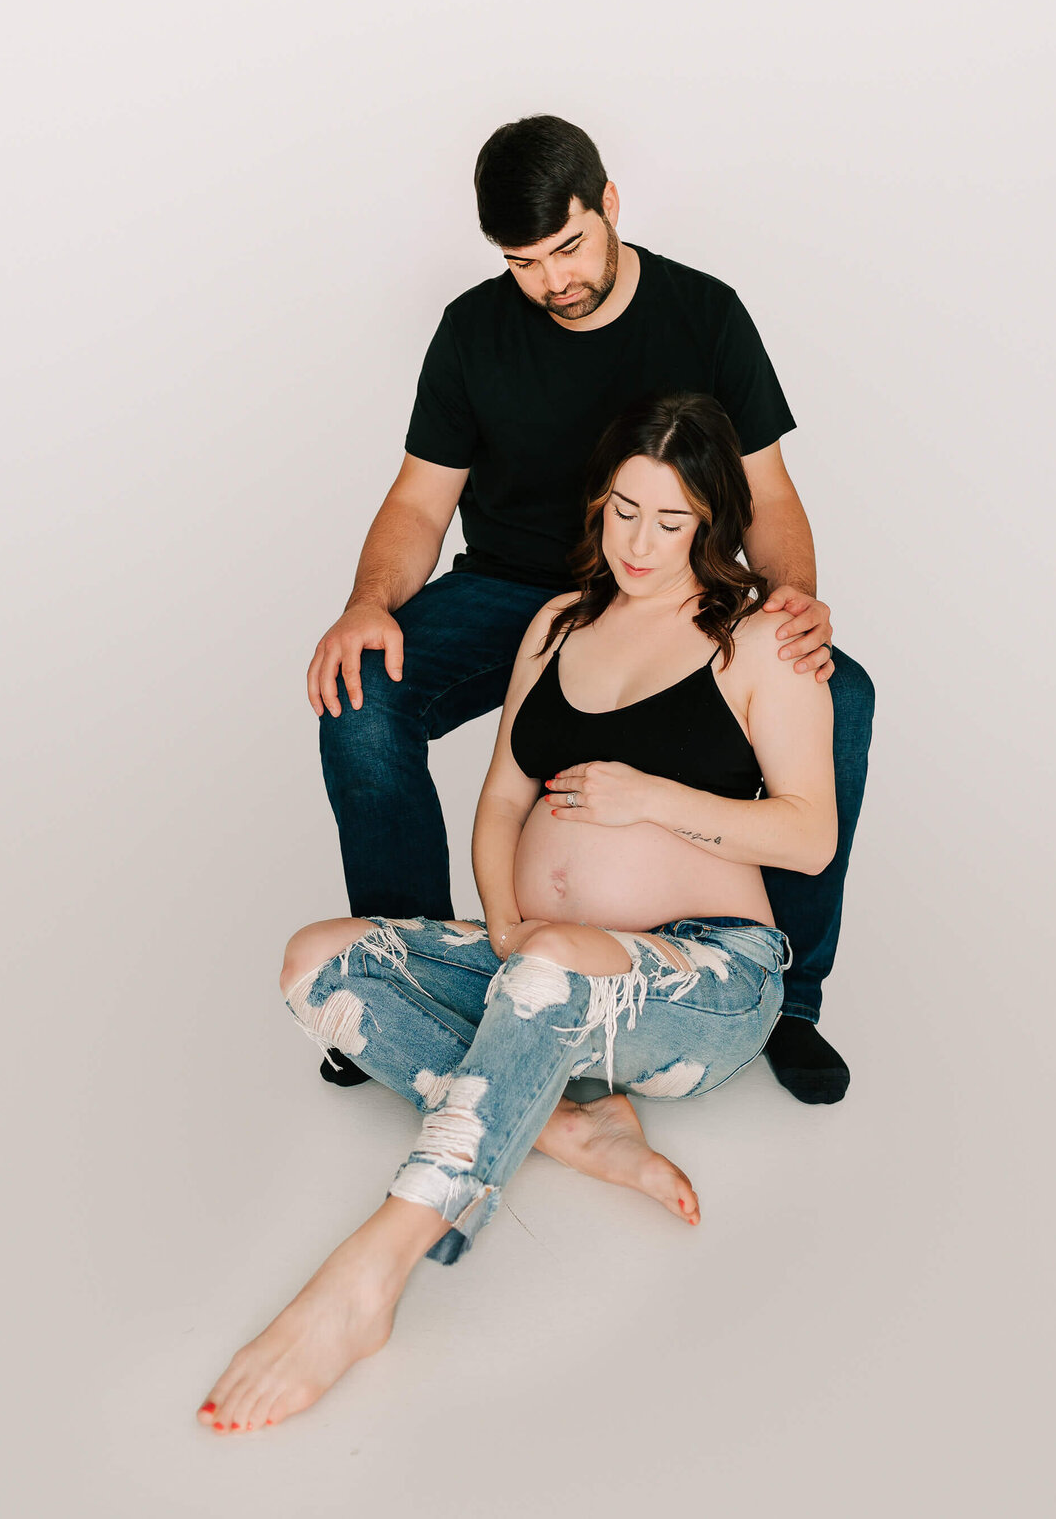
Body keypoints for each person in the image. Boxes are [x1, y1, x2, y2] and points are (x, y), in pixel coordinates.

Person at [197, 393, 837, 1434]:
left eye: (671, 523)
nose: (640, 543)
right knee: (315, 963)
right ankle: (574, 1125)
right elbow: (501, 799)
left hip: (709, 983)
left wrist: (655, 801)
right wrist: (502, 922)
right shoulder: (557, 624)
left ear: (712, 524)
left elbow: (808, 835)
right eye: (624, 511)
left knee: (547, 972)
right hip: (540, 960)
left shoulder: (758, 639)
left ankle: (371, 1275)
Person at [309, 114, 874, 1102]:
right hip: (511, 595)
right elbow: (416, 502)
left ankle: (792, 996)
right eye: (523, 261)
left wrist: (792, 607)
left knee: (845, 696)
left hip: (669, 589)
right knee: (362, 698)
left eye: (568, 247)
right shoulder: (473, 332)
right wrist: (368, 604)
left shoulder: (706, 315)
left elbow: (769, 495)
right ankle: (433, 974)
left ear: (610, 206)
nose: (552, 281)